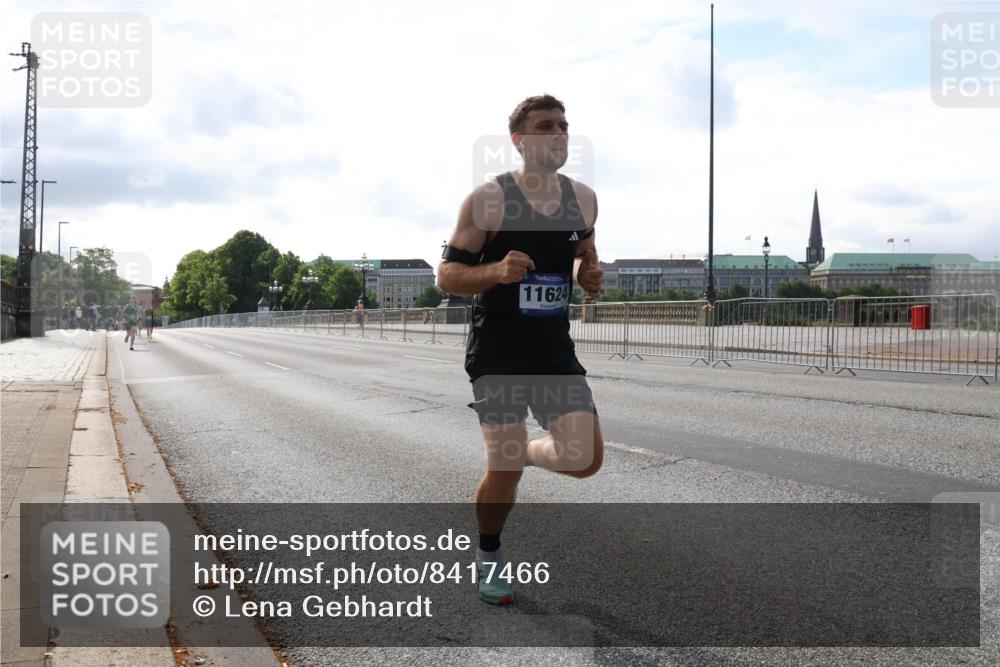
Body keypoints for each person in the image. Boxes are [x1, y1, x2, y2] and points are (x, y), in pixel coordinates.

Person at [438, 95, 605, 606]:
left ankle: (528, 452)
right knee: (503, 468)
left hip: (552, 346)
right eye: (545, 126)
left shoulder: (584, 200)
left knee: (584, 458)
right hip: (499, 349)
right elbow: (447, 276)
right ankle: (489, 555)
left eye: (564, 126)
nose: (559, 134)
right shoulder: (488, 200)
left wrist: (588, 273)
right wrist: (495, 271)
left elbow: (584, 250)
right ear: (520, 140)